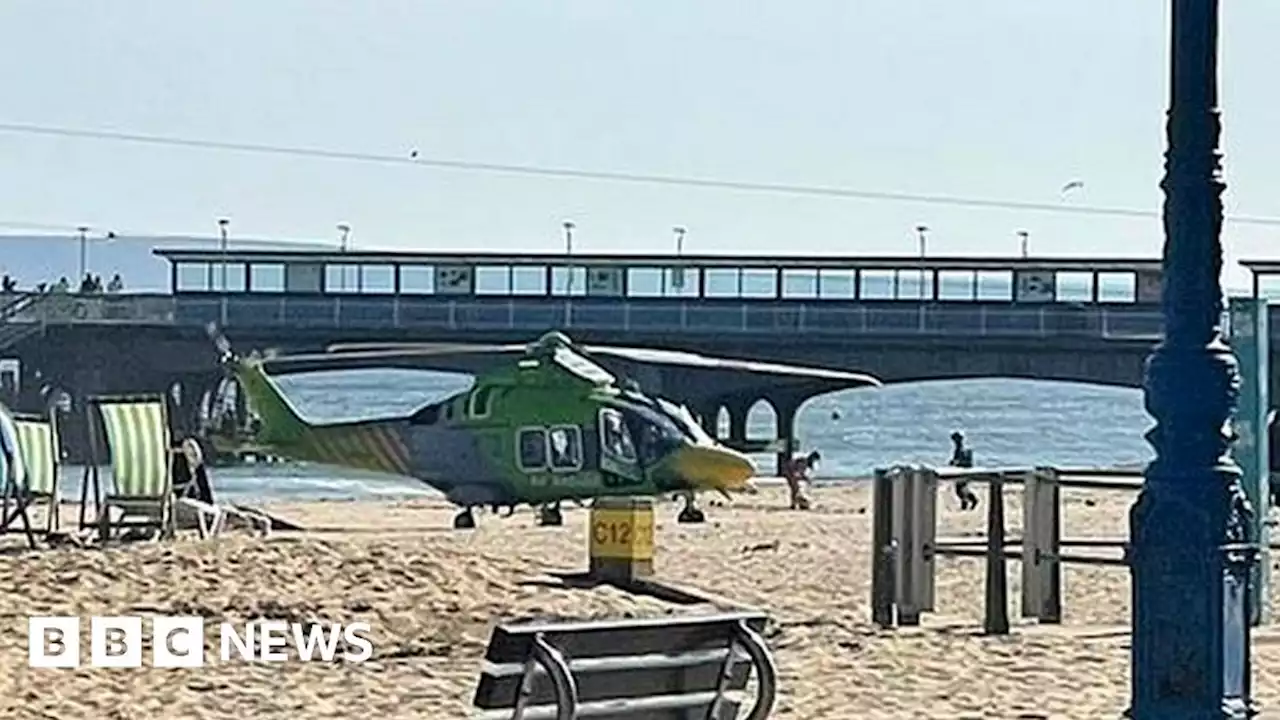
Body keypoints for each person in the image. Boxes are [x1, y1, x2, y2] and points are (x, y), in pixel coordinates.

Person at [949, 431, 980, 511]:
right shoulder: (959, 448)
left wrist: (955, 462)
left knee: (960, 490)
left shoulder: (960, 448)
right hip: (961, 470)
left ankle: (972, 501)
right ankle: (966, 504)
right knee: (961, 489)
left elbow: (960, 459)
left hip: (962, 471)